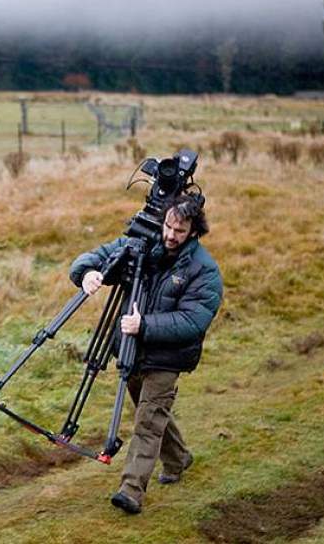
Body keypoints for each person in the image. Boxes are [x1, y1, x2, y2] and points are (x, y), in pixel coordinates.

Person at [68, 194, 223, 514]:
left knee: (147, 422)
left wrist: (145, 325)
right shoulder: (142, 243)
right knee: (152, 412)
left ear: (194, 231)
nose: (170, 235)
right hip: (131, 350)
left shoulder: (204, 270)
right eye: (168, 226)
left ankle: (131, 489)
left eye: (180, 231)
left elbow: (193, 321)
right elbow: (96, 256)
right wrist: (88, 273)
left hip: (167, 357)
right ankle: (179, 458)